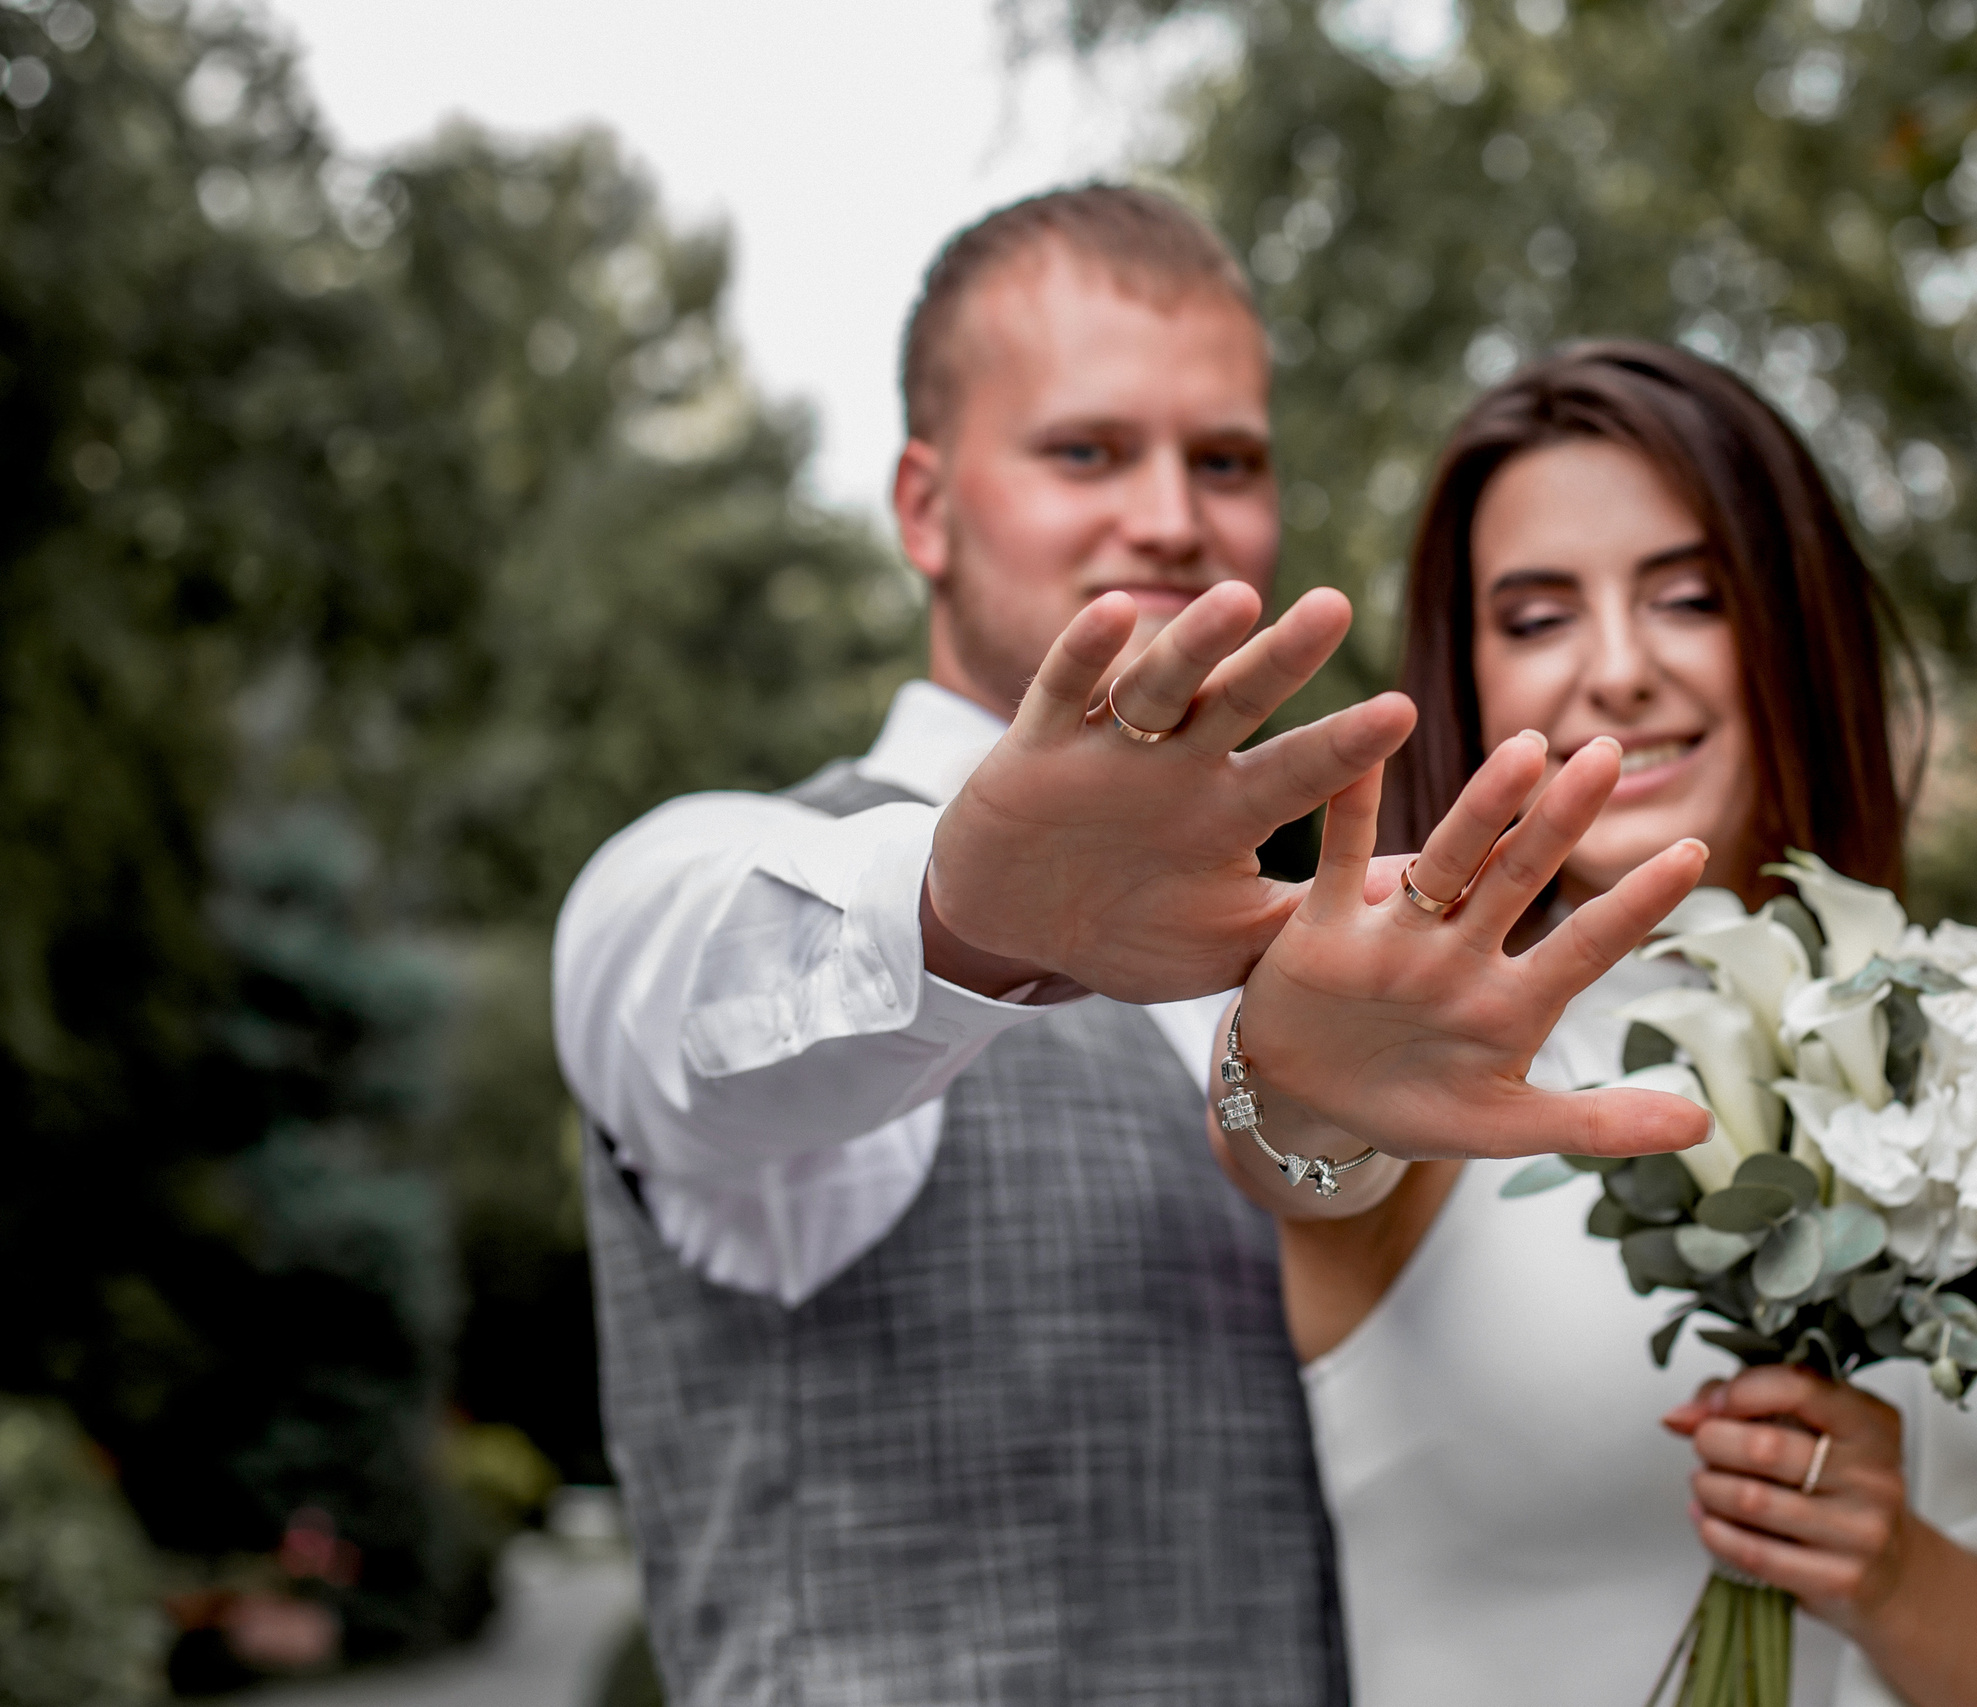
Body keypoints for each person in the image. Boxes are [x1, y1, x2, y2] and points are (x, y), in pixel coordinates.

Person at [552, 189, 1701, 1706]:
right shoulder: (736, 874)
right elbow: (688, 1002)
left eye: (1225, 459)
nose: (1171, 515)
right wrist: (968, 920)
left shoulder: (1338, 950)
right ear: (923, 507)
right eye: (1085, 450)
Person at [1210, 343, 1977, 1705]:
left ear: (1794, 621)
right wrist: (1285, 1074)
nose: (1619, 669)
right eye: (1537, 619)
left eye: (1690, 597)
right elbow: (1297, 1152)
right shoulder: (1428, 1064)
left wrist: (1892, 1577)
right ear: (1467, 676)